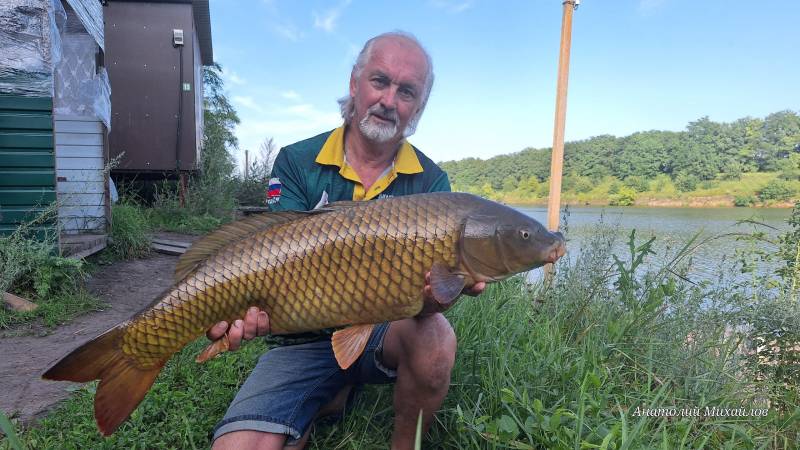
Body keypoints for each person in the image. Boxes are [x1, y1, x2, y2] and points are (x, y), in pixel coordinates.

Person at [209, 31, 486, 450]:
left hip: (384, 332)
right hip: (301, 339)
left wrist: (440, 296)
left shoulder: (433, 185)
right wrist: (244, 309)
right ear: (355, 83)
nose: (389, 100)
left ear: (418, 107)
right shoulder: (296, 160)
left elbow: (423, 308)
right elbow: (266, 256)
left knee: (436, 336)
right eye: (380, 81)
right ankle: (330, 393)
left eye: (406, 91)